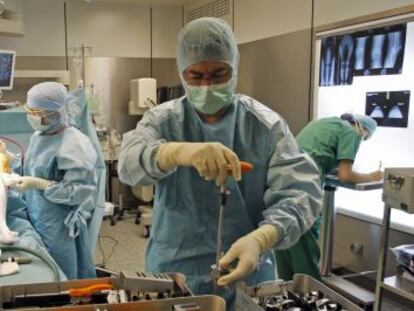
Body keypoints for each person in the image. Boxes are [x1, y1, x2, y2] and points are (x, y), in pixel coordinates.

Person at [118, 17, 322, 308]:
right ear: (182, 73)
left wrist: (261, 239)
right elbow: (127, 165)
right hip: (175, 270)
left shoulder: (265, 126)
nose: (207, 85)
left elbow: (301, 194)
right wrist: (177, 152)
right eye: (196, 76)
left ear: (234, 68)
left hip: (248, 270)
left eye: (218, 74)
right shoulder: (162, 121)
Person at [274, 113, 382, 281]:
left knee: (284, 241)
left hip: (281, 183)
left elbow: (317, 155)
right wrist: (371, 176)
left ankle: (283, 295)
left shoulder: (323, 123)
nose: (362, 140)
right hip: (303, 189)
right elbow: (346, 175)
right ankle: (308, 296)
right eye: (365, 138)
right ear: (363, 129)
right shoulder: (352, 132)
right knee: (305, 248)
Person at [10, 82, 98, 279]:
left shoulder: (75, 144)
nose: (31, 116)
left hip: (58, 224)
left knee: (60, 276)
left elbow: (79, 190)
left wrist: (40, 184)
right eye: (29, 110)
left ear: (55, 113)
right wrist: (7, 158)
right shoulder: (39, 135)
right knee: (42, 269)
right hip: (38, 213)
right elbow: (30, 165)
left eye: (36, 112)